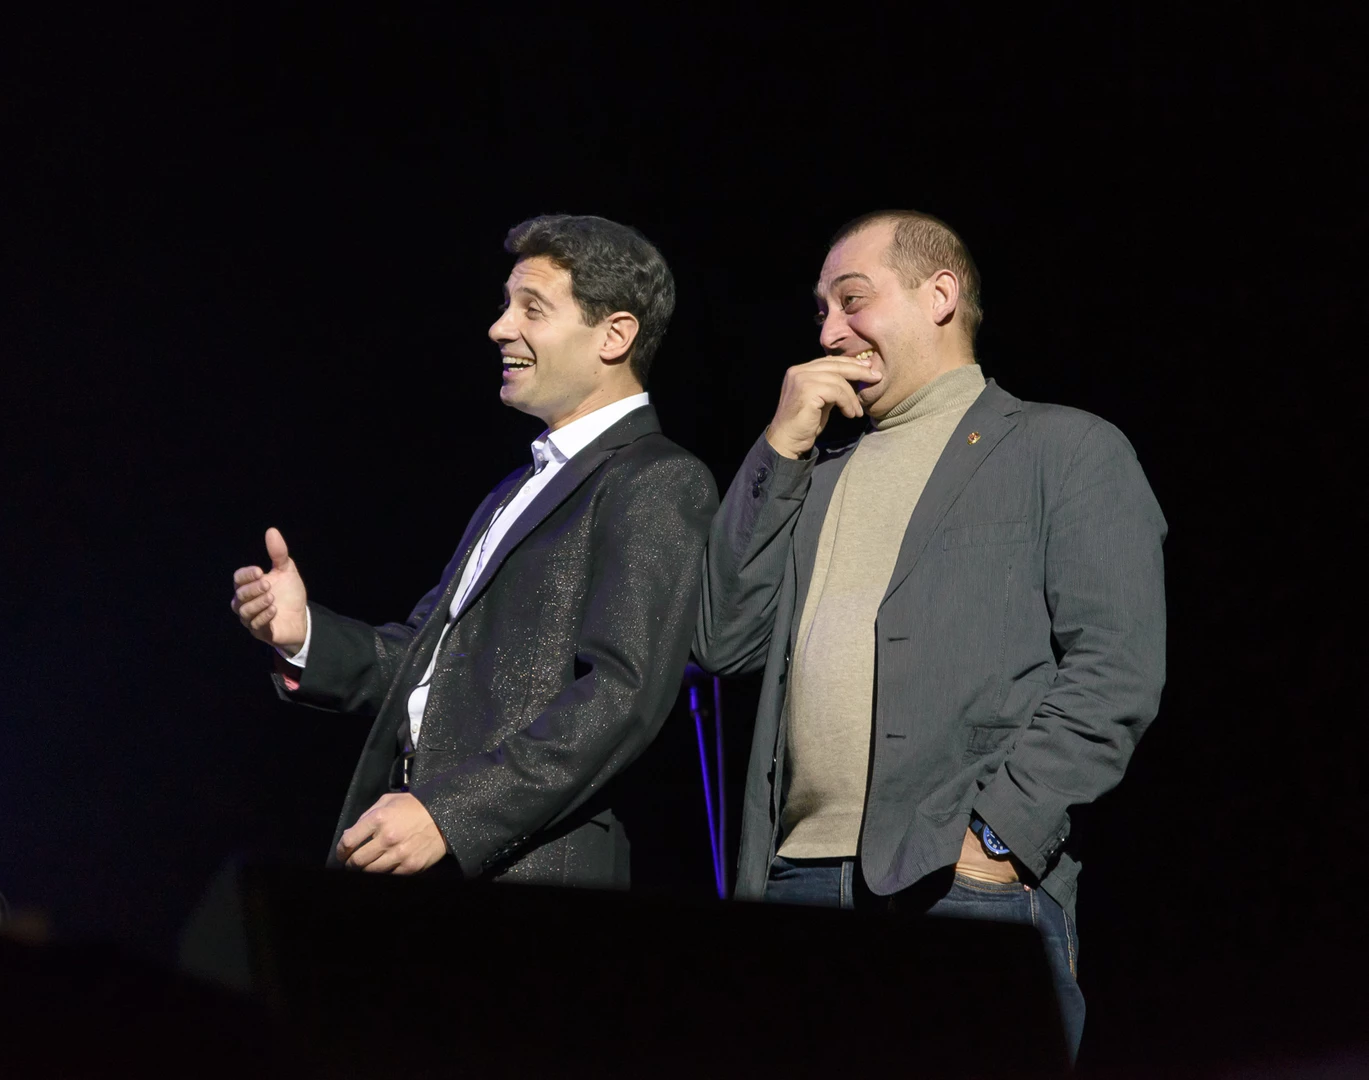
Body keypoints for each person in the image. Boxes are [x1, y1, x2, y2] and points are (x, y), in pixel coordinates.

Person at [693, 210, 1166, 1058]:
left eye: (852, 300)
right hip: (793, 880)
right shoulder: (814, 473)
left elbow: (1114, 669)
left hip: (957, 884)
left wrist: (995, 836)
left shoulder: (1063, 448)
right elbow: (722, 641)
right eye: (820, 312)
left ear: (938, 294)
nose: (828, 333)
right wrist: (777, 446)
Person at [232, 214, 717, 887]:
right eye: (505, 305)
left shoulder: (656, 479)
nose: (499, 327)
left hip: (531, 866)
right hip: (436, 847)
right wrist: (304, 635)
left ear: (614, 335)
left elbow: (620, 697)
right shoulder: (514, 490)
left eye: (532, 308)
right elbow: (423, 662)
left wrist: (448, 814)